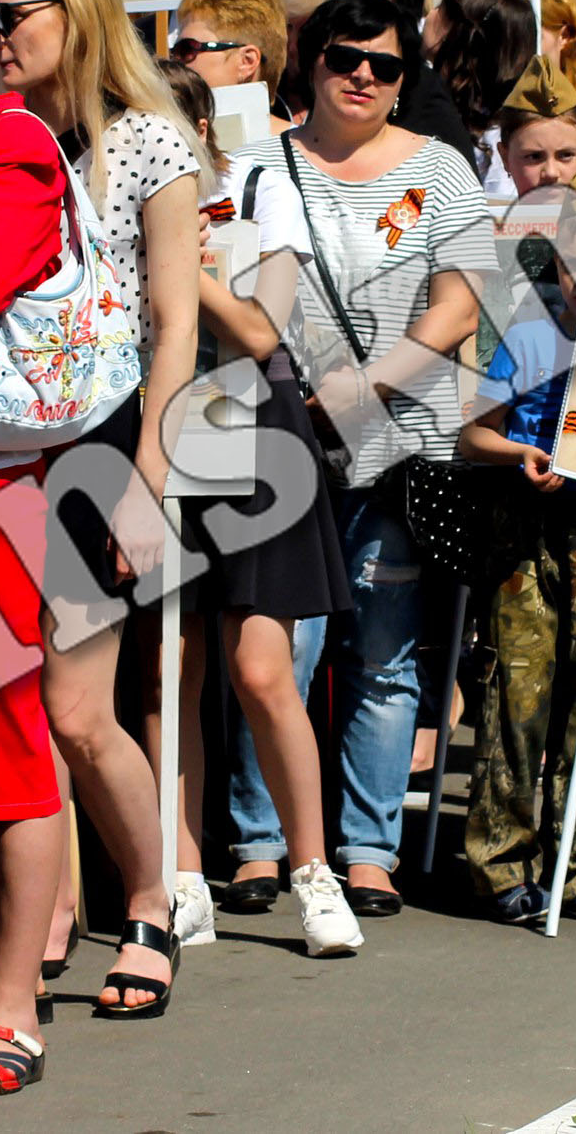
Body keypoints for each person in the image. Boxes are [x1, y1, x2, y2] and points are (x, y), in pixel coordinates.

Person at [0, 0, 203, 1011]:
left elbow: (178, 322)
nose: (0, 38)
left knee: (81, 708)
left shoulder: (146, 142)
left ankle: (150, 897)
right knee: (10, 704)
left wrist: (152, 466)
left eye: (17, 15)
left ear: (77, 11)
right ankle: (38, 918)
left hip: (100, 437)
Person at [230, 0, 493, 917]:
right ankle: (265, 839)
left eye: (386, 66)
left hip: (398, 445)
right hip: (281, 439)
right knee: (280, 652)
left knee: (384, 655)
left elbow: (460, 305)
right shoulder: (258, 163)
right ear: (310, 59)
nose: (365, 79)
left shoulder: (445, 169)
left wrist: (370, 384)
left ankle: (368, 848)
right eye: (347, 58)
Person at [155, 60, 362, 954]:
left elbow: (259, 327)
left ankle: (315, 872)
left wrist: (170, 257)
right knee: (172, 668)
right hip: (157, 419)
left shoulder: (259, 188)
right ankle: (182, 875)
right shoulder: (101, 189)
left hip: (248, 422)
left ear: (203, 128)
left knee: (262, 665)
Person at [459, 126, 576, 923]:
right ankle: (502, 864)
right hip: (527, 525)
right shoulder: (528, 328)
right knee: (519, 693)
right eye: (575, 267)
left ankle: (570, 862)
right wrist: (523, 451)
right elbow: (474, 433)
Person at [427, 0, 538, 192]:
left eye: (441, 9)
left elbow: (498, 200)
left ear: (461, 33)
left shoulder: (498, 130)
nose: (430, 14)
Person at [172, 0, 290, 120]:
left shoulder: (299, 142)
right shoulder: (169, 138)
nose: (173, 62)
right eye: (173, 52)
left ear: (247, 61)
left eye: (187, 49)